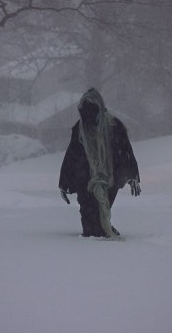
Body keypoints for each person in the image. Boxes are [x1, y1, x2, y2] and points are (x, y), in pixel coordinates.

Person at [59, 88, 140, 238]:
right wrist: (64, 182)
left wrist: (132, 175)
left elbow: (125, 151)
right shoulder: (79, 129)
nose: (88, 115)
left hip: (109, 178)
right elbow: (71, 155)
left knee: (100, 214)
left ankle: (104, 228)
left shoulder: (114, 127)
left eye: (92, 110)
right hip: (84, 179)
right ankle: (101, 231)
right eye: (84, 110)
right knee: (89, 225)